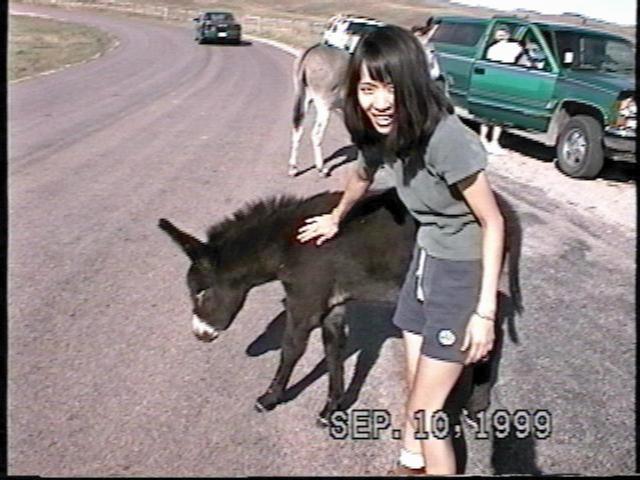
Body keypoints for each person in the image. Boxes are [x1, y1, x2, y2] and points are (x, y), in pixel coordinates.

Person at [297, 25, 504, 475]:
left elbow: (493, 221)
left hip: (460, 272)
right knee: (415, 384)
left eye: (391, 87)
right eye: (369, 88)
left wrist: (484, 312)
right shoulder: (378, 133)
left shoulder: (446, 138)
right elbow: (360, 176)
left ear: (412, 82)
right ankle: (410, 462)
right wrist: (336, 217)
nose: (380, 101)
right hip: (425, 264)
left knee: (430, 414)